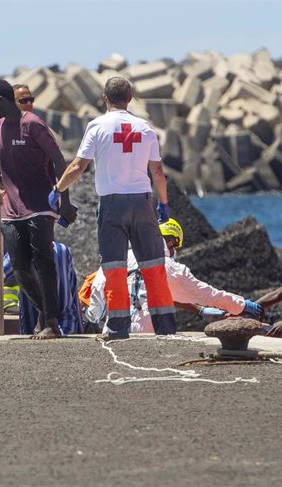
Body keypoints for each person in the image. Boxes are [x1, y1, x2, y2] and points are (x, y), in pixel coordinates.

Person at [52, 76, 175, 340]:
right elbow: (158, 172)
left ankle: (118, 328)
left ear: (104, 98)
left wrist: (57, 190)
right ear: (130, 98)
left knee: (115, 267)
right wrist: (163, 204)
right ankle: (165, 327)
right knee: (153, 264)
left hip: (112, 204)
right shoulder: (145, 127)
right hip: (143, 202)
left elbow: (77, 166)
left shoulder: (97, 126)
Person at [0, 79, 76, 339]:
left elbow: (59, 160)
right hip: (11, 209)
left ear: (1, 100)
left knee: (44, 262)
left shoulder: (33, 124)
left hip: (40, 206)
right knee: (19, 268)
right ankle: (44, 310)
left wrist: (64, 198)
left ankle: (51, 322)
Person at [85, 218, 263, 332]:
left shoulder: (120, 257)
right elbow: (205, 293)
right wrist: (240, 305)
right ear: (170, 242)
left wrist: (95, 317)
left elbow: (98, 289)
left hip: (114, 330)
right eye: (175, 247)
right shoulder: (170, 267)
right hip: (147, 331)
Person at [0, 242, 83, 335]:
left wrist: (62, 333)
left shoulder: (59, 253)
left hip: (64, 328)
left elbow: (65, 310)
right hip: (31, 327)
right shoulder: (21, 251)